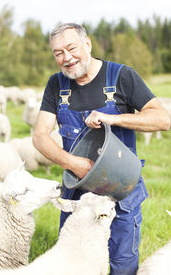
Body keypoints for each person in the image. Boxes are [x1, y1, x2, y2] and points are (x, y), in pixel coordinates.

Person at [32, 23, 170, 275]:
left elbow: (162, 119)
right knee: (72, 264)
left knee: (123, 265)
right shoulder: (56, 85)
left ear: (87, 44)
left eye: (71, 48)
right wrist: (73, 164)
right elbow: (40, 136)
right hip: (78, 199)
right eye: (58, 53)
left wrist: (114, 119)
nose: (67, 58)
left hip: (120, 191)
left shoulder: (121, 76)